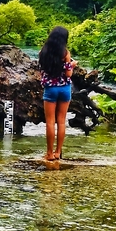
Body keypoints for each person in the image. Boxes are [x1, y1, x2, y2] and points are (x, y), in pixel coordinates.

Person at [39, 26, 77, 161]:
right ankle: (58, 152)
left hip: (50, 89)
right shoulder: (65, 53)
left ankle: (49, 153)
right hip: (64, 89)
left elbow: (42, 70)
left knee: (50, 122)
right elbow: (68, 74)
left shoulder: (43, 52)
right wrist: (72, 65)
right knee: (61, 122)